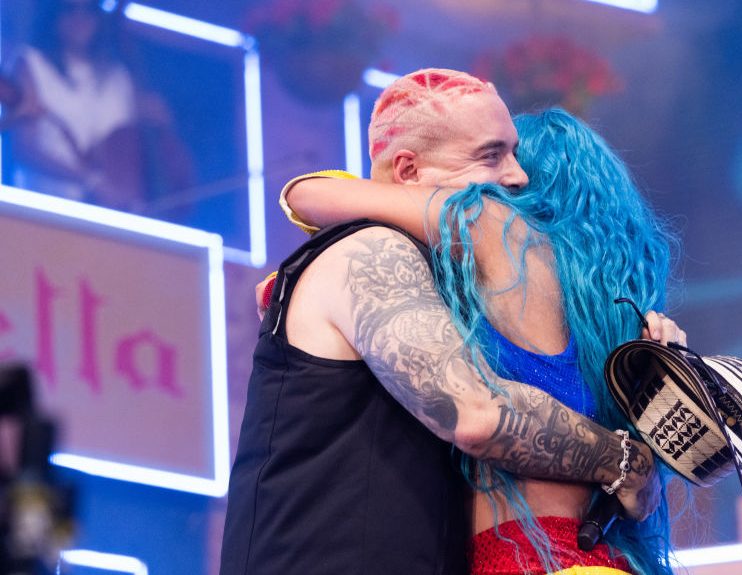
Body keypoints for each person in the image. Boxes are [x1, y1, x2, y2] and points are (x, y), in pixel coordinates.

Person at [221, 69, 667, 575]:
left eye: (515, 153)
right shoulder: (373, 249)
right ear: (408, 171)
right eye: (490, 154)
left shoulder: (453, 277)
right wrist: (623, 463)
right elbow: (476, 415)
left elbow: (307, 193)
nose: (517, 176)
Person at [5, 0, 190, 211]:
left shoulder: (118, 77)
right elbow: (25, 148)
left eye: (89, 10)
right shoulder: (29, 62)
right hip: (46, 210)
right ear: (54, 14)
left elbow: (128, 152)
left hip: (109, 214)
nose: (79, 18)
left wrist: (161, 124)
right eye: (70, 9)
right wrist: (90, 181)